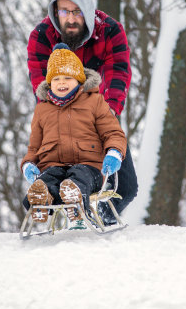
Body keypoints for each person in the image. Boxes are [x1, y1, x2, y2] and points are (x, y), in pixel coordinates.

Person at [27, 0, 137, 224]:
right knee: (55, 180)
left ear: (87, 10)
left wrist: (104, 114)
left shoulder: (110, 31)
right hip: (58, 120)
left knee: (127, 188)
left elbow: (119, 74)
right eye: (64, 12)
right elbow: (41, 86)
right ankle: (69, 218)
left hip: (99, 116)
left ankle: (102, 220)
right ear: (56, 12)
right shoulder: (41, 36)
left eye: (77, 12)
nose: (71, 19)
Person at [21, 44, 127, 225]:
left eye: (68, 77)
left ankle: (75, 198)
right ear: (49, 83)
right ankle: (41, 199)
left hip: (89, 166)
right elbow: (34, 146)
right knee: (48, 179)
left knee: (79, 175)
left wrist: (114, 152)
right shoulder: (42, 110)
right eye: (56, 79)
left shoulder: (94, 102)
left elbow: (112, 132)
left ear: (79, 80)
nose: (61, 83)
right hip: (53, 165)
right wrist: (28, 164)